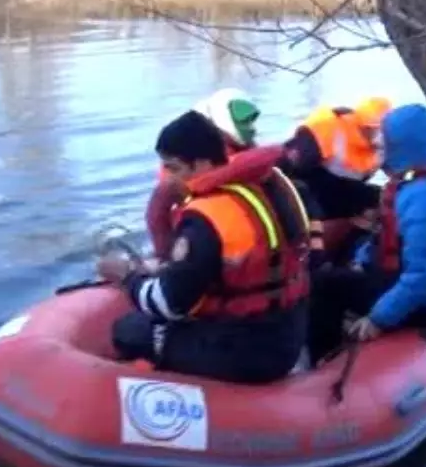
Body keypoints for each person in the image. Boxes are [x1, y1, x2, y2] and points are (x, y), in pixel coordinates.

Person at [99, 110, 314, 384]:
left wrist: (128, 276)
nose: (167, 179)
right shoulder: (269, 184)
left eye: (174, 168)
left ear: (201, 164)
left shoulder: (206, 217)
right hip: (287, 331)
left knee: (129, 330)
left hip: (248, 350)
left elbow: (169, 304)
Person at [304, 103, 426, 364]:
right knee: (350, 252)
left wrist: (378, 318)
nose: (378, 143)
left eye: (385, 139)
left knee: (327, 286)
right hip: (408, 279)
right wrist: (362, 262)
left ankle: (322, 360)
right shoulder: (416, 184)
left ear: (403, 145)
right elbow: (382, 236)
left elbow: (424, 278)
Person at [145, 89, 328, 267]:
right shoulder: (241, 170)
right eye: (245, 122)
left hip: (253, 275)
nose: (251, 129)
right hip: (271, 274)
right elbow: (158, 218)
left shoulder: (250, 169)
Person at [278, 97, 392, 262]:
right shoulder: (326, 128)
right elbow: (287, 176)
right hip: (306, 193)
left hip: (341, 192)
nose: (378, 139)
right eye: (373, 130)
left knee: (382, 198)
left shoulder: (383, 146)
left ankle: (357, 255)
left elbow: (398, 174)